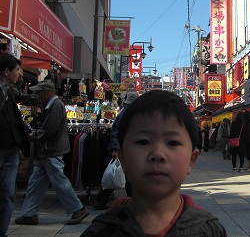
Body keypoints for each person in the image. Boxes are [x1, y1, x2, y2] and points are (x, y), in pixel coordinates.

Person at [81, 90, 227, 236]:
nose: (157, 154)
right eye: (143, 142)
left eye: (172, 142)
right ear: (122, 157)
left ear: (191, 160)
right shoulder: (100, 232)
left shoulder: (210, 231)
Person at [15, 80, 89, 225]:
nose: (37, 94)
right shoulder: (52, 105)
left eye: (40, 92)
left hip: (51, 149)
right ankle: (29, 213)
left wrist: (33, 136)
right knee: (36, 183)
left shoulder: (55, 106)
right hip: (46, 150)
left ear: (48, 92)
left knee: (59, 182)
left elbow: (50, 129)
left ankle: (78, 209)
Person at [92, 92, 139, 210]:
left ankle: (101, 200)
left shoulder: (126, 111)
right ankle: (128, 200)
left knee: (119, 175)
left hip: (124, 148)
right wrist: (116, 148)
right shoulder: (127, 113)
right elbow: (117, 132)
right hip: (122, 149)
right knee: (123, 175)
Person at [0, 54, 30, 237]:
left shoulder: (9, 92)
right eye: (17, 71)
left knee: (7, 194)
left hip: (11, 149)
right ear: (6, 71)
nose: (19, 75)